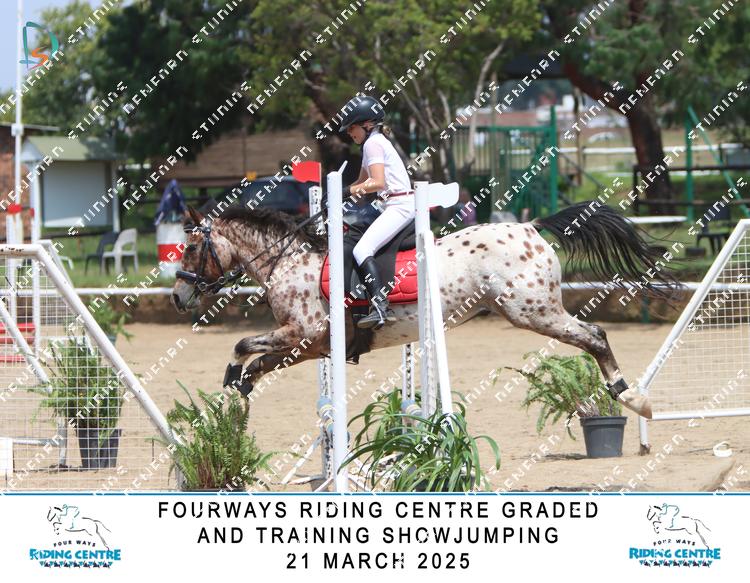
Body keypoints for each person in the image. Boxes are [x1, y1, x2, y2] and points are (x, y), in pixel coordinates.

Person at [337, 95, 415, 330]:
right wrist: (336, 196)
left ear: (367, 124)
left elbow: (378, 183)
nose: (349, 132)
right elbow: (361, 185)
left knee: (362, 249)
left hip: (399, 206)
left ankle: (380, 307)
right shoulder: (372, 144)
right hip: (390, 205)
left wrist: (346, 191)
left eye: (351, 127)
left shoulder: (373, 144)